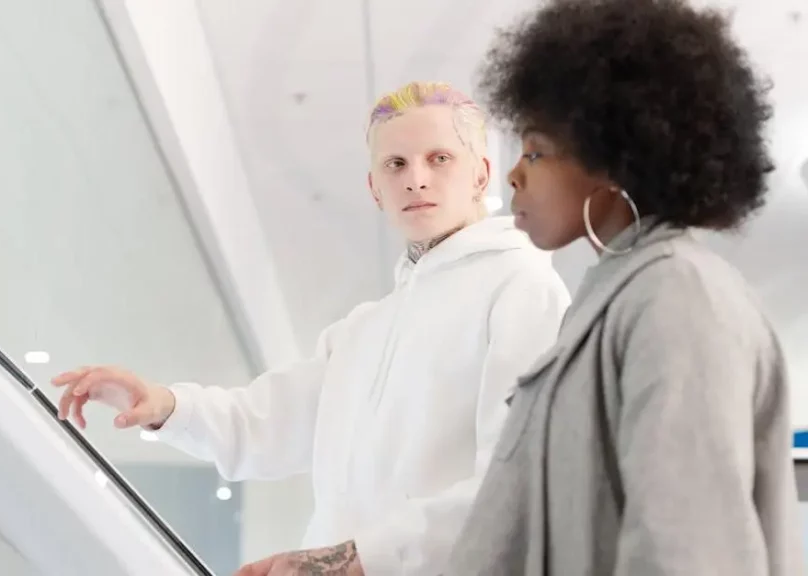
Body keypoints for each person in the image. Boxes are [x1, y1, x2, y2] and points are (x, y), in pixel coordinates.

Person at [52, 81, 571, 576]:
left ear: (481, 174)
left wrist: (355, 560)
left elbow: (514, 486)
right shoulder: (362, 331)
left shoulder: (521, 288)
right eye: (396, 164)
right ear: (374, 188)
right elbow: (260, 425)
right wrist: (163, 404)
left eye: (439, 159)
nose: (415, 178)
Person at [446, 1, 806, 574]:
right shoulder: (601, 312)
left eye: (536, 151)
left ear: (615, 155)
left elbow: (685, 554)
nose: (514, 172)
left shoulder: (675, 294)